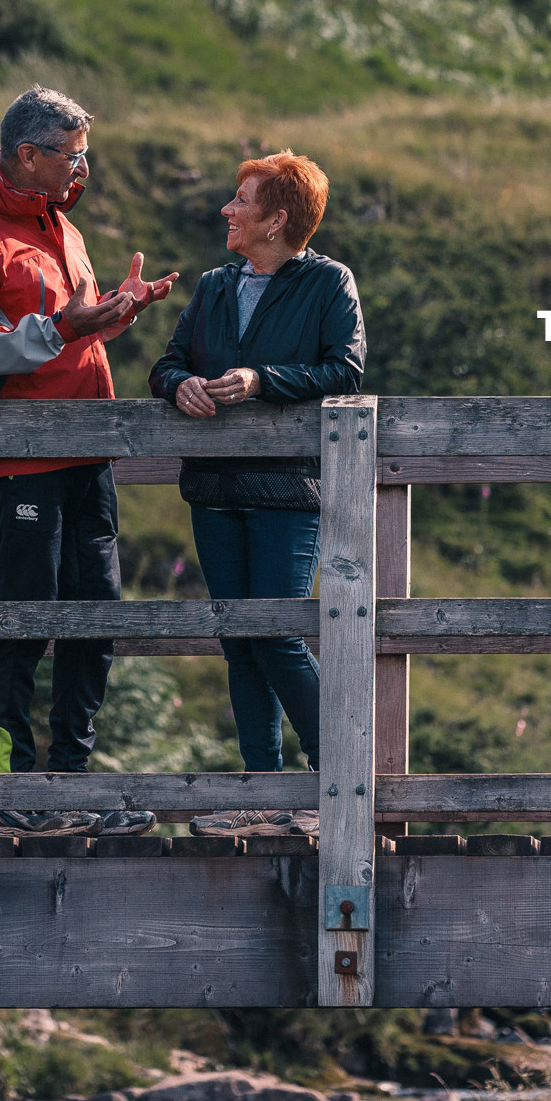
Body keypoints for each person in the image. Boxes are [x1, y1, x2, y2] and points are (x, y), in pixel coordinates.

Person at [0, 86, 177, 839]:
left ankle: (70, 783)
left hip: (88, 448)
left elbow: (71, 337)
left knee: (93, 615)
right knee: (25, 615)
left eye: (85, 154)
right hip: (19, 456)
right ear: (26, 154)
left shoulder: (62, 229)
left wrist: (114, 313)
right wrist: (64, 325)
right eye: (72, 155)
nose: (82, 169)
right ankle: (11, 786)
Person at [148, 151, 364, 838]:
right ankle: (262, 793)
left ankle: (337, 779)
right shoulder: (213, 286)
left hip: (284, 489)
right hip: (211, 487)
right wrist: (174, 383)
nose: (227, 210)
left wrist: (259, 379)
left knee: (272, 631)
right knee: (238, 639)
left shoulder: (329, 282)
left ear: (275, 219)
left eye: (241, 200)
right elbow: (168, 360)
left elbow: (345, 369)